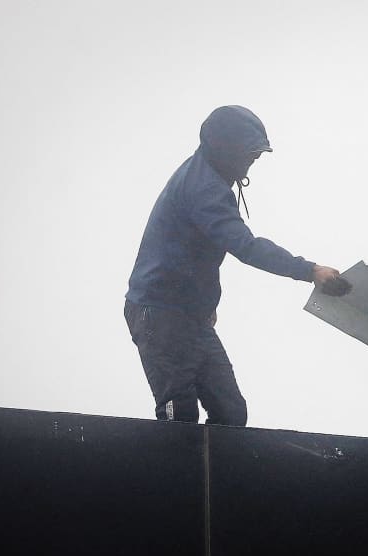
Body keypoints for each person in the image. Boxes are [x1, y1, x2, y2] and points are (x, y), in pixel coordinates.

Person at [124, 105, 349, 426]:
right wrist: (310, 270)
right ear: (225, 149)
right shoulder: (204, 189)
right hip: (159, 313)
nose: (252, 162)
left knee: (230, 412)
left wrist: (203, 301)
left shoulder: (207, 174)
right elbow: (246, 246)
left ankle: (216, 475)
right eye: (249, 154)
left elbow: (191, 250)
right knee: (179, 413)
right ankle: (177, 474)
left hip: (192, 316)